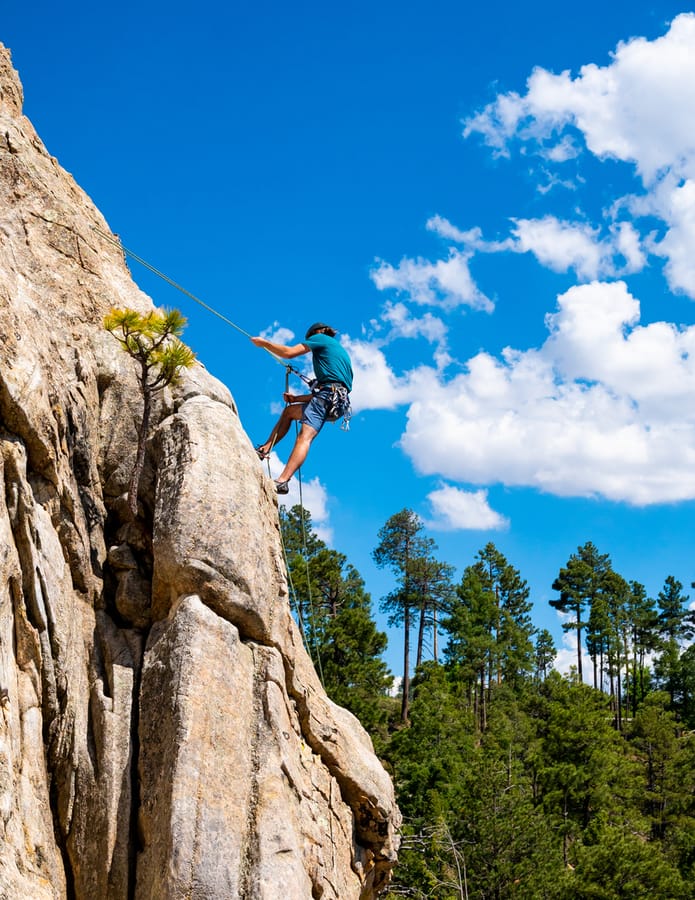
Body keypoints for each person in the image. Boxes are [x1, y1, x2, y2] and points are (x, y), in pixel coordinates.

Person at [251, 322, 353, 493]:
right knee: (290, 411)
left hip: (328, 396)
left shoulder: (320, 338)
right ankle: (264, 449)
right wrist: (296, 398)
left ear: (317, 333)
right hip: (337, 403)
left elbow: (289, 353)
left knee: (304, 438)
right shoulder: (340, 353)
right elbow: (329, 391)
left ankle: (282, 480)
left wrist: (264, 344)